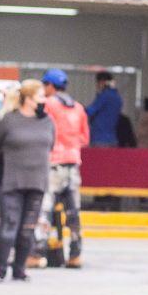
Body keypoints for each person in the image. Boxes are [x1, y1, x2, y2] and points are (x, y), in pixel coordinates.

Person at [0, 80, 55, 283]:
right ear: (28, 99)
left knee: (27, 229)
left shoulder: (47, 122)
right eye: (40, 97)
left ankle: (20, 268)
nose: (44, 101)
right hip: (11, 181)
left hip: (37, 181)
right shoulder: (8, 121)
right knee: (9, 225)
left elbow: (51, 144)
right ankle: (0, 269)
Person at [41, 69, 90, 269]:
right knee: (73, 213)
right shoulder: (78, 107)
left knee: (44, 210)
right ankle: (75, 255)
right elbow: (84, 138)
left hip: (53, 164)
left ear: (50, 86)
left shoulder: (48, 104)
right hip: (73, 163)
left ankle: (38, 253)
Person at [86, 71, 123, 147]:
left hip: (99, 138)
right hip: (112, 138)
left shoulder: (104, 96)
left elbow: (90, 111)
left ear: (102, 82)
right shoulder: (117, 97)